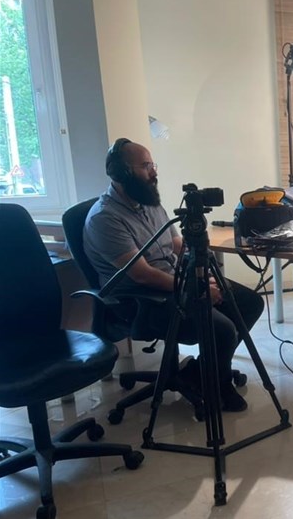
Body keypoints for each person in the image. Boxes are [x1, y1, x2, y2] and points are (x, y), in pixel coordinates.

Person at [83, 138, 264, 412]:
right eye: (146, 166)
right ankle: (217, 385)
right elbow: (142, 275)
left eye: (152, 164)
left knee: (249, 302)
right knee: (223, 328)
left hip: (174, 281)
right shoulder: (104, 218)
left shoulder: (148, 202)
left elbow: (177, 244)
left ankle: (199, 373)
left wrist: (201, 272)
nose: (153, 172)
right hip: (141, 300)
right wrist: (195, 289)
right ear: (122, 173)